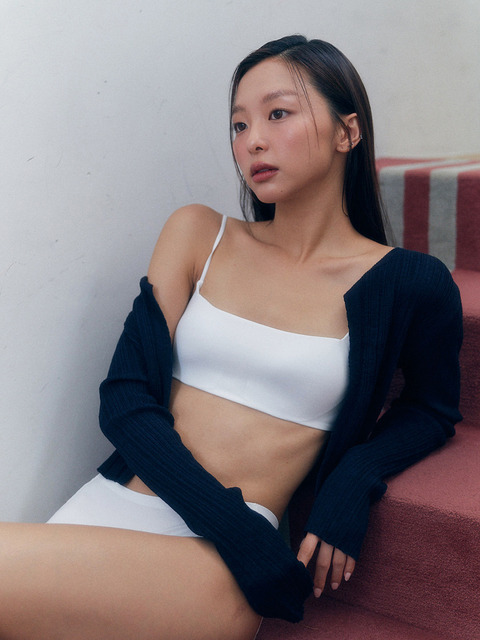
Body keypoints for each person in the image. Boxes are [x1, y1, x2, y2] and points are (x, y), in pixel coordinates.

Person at [0, 35, 462, 640]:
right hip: (121, 512)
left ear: (347, 132)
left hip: (217, 566)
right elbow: (125, 398)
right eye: (239, 125)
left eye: (278, 113)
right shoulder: (199, 234)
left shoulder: (408, 281)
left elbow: (431, 409)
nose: (253, 141)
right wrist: (236, 529)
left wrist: (355, 478)